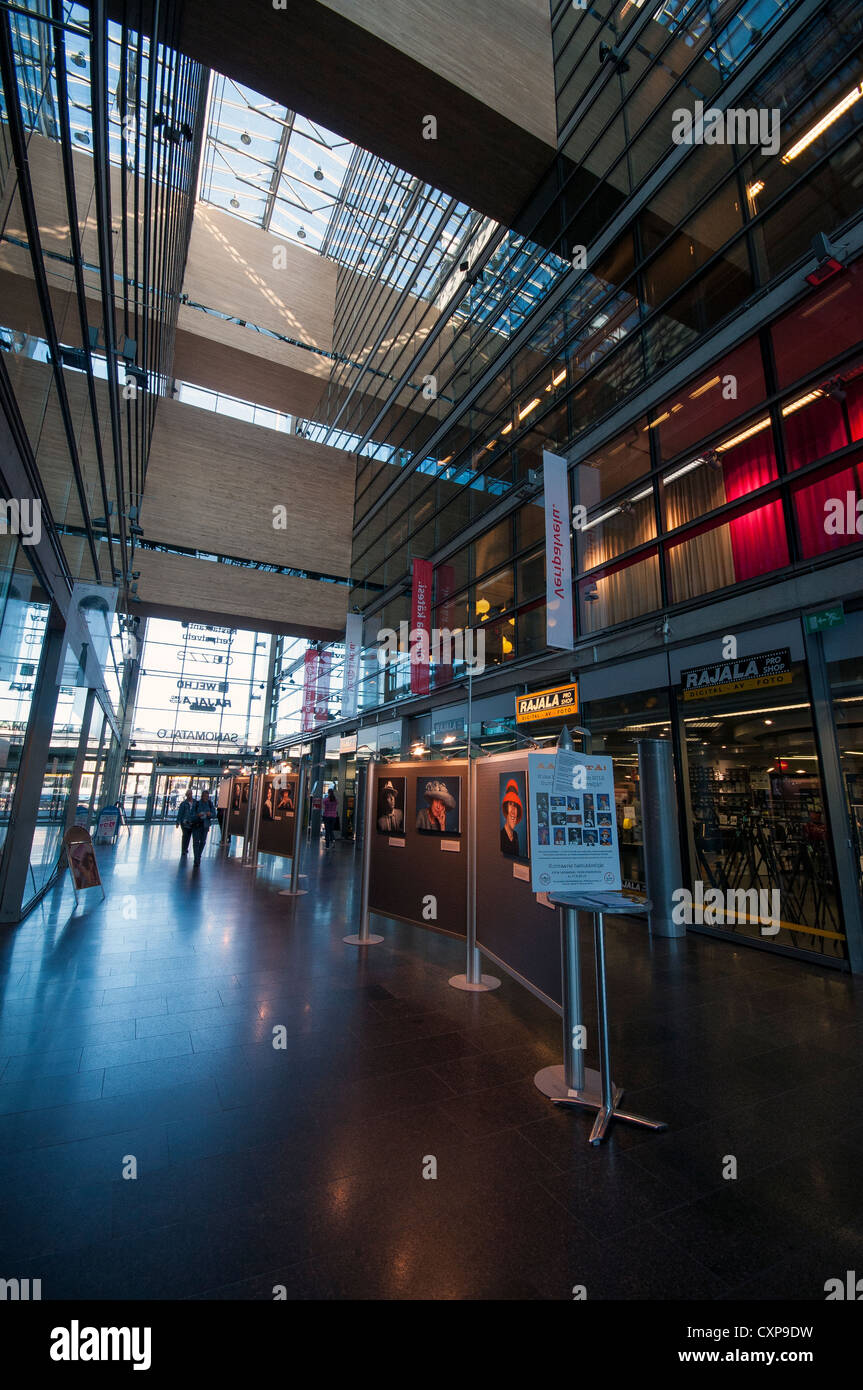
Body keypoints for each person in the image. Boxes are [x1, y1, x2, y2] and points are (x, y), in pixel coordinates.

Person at [190, 789, 217, 865]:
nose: (205, 798)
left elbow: (214, 814)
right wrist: (197, 815)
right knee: (196, 842)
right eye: (204, 796)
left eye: (207, 796)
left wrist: (210, 814)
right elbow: (191, 815)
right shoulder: (197, 804)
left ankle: (198, 855)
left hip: (205, 826)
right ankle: (196, 858)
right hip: (197, 825)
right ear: (202, 796)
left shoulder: (210, 804)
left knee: (202, 842)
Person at [500, 779, 524, 856]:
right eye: (510, 804)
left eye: (516, 806)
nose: (513, 811)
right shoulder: (501, 836)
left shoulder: (515, 835)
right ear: (506, 809)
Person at [176, 788, 196, 857]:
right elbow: (180, 813)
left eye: (190, 794)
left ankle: (185, 848)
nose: (189, 796)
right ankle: (184, 849)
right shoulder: (183, 804)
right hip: (184, 822)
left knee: (188, 835)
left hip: (192, 822)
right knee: (185, 835)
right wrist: (178, 822)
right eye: (188, 794)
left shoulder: (195, 803)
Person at [216, 776, 231, 843]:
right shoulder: (222, 799)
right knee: (223, 827)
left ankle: (226, 838)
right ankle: (225, 837)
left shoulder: (225, 799)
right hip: (221, 814)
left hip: (223, 814)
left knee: (225, 827)